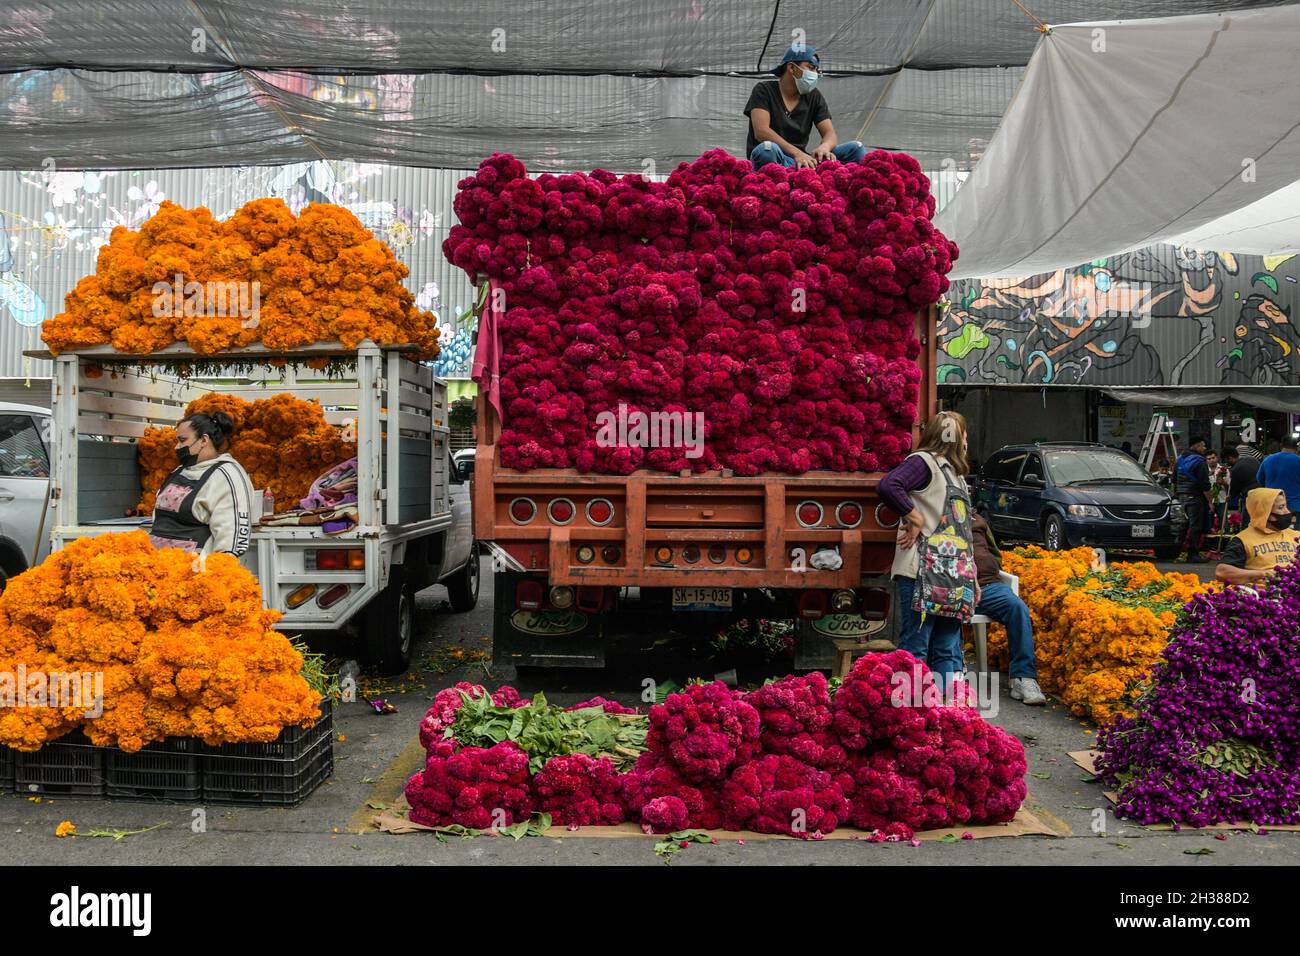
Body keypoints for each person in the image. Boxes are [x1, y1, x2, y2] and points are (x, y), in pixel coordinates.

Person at [880, 411, 978, 691]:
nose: (966, 439)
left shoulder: (955, 473)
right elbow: (890, 485)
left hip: (955, 579)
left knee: (947, 648)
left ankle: (944, 713)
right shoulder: (924, 463)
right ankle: (913, 712)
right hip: (920, 573)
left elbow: (964, 533)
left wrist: (974, 578)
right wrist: (915, 517)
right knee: (917, 646)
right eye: (965, 434)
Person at [148, 411, 255, 558]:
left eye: (182, 440)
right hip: (160, 567)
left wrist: (219, 569)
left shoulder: (228, 475)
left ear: (204, 440)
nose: (177, 447)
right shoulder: (178, 472)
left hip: (197, 571)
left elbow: (231, 537)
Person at [744, 44, 868, 170]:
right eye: (811, 68)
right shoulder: (764, 90)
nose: (815, 74)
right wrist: (797, 153)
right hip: (778, 157)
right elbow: (761, 132)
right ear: (792, 68)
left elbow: (830, 133)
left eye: (816, 70)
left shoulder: (814, 96)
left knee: (856, 149)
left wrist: (824, 147)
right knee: (767, 149)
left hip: (804, 161)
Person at [969, 512, 1045, 706]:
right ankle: (950, 675)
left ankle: (1023, 678)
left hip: (989, 585)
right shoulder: (937, 516)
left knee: (1017, 608)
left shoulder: (976, 519)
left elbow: (993, 551)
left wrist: (991, 568)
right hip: (953, 586)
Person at [1215, 488, 1299, 585]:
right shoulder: (1243, 540)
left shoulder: (1296, 536)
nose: (1287, 512)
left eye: (1285, 506)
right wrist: (1264, 574)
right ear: (1264, 512)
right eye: (1281, 508)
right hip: (1264, 595)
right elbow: (1222, 572)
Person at [1174, 438, 1212, 562]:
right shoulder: (1200, 461)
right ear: (1196, 446)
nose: (1204, 448)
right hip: (1195, 497)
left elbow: (1174, 479)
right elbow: (1204, 484)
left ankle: (1175, 552)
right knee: (1196, 526)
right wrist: (1210, 502)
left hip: (1181, 496)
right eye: (1203, 446)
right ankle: (1193, 554)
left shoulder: (1179, 459)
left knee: (1182, 525)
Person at [1257, 436, 1300, 518]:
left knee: (1273, 530)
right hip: (1294, 506)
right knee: (1294, 531)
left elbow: (1260, 480)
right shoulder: (1298, 461)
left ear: (1281, 446)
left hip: (1272, 505)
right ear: (1297, 447)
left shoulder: (1268, 460)